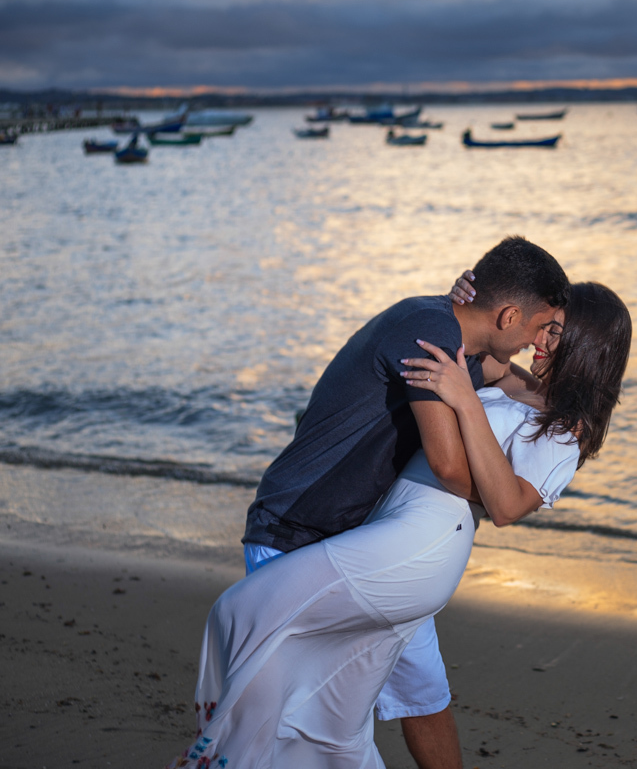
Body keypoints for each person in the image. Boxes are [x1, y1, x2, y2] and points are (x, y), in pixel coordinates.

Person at [169, 282, 632, 769]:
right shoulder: (522, 387)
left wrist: (466, 401)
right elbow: (482, 340)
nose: (540, 341)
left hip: (417, 547)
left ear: (585, 345)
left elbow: (508, 506)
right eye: (544, 327)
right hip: (393, 536)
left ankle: (220, 757)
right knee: (338, 723)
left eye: (555, 332)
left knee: (241, 614)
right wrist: (463, 299)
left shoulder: (566, 430)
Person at [240, 236, 569, 768]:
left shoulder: (447, 330)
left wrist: (563, 408)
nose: (539, 343)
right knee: (296, 727)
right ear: (509, 315)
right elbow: (447, 464)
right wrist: (505, 497)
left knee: (422, 688)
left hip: (362, 544)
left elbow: (504, 377)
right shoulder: (431, 335)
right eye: (540, 328)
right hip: (296, 541)